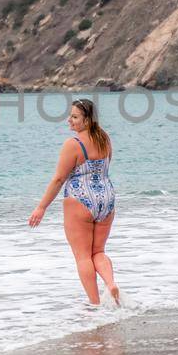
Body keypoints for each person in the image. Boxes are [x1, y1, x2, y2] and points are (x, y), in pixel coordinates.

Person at [28, 98, 119, 306]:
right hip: (106, 197)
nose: (69, 121)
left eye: (75, 117)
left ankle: (95, 305)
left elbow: (59, 179)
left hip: (80, 199)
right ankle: (111, 283)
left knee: (83, 256)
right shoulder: (105, 139)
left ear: (87, 120)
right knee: (98, 252)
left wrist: (41, 207)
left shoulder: (73, 144)